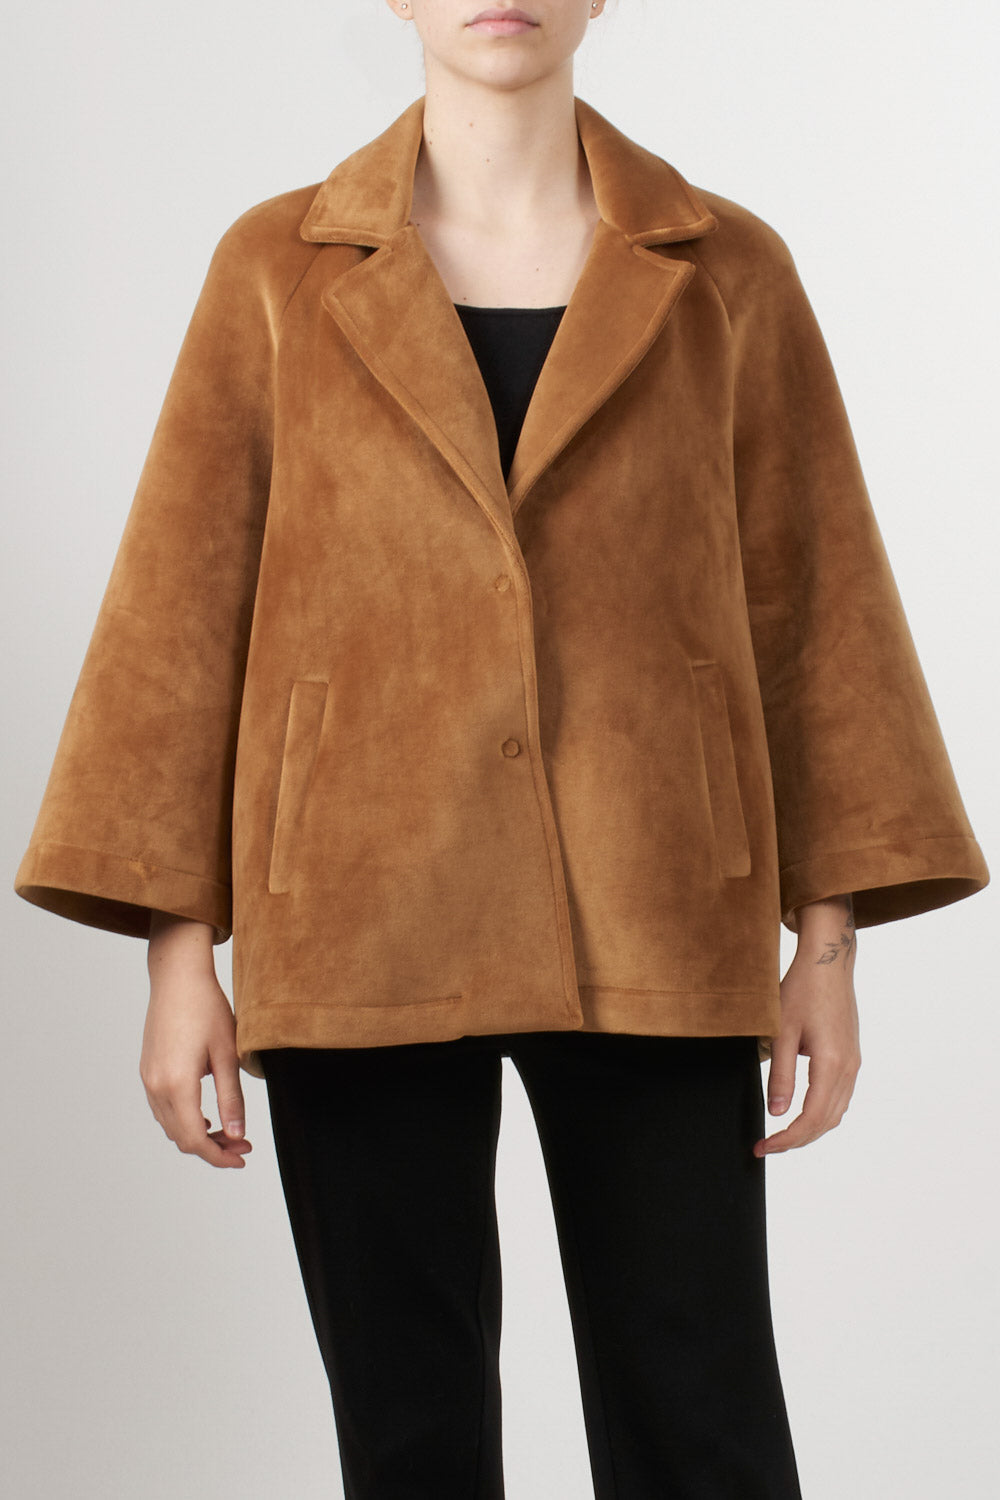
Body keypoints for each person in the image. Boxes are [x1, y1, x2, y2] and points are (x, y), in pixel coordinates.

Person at [14, 3, 990, 1497]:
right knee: (409, 1438)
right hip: (359, 906)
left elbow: (816, 599)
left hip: (659, 901)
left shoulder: (725, 269)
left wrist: (829, 944)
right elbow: (183, 603)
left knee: (702, 1423)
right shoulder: (276, 267)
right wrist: (177, 953)